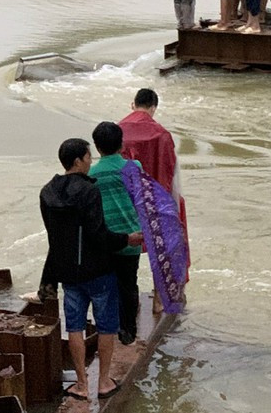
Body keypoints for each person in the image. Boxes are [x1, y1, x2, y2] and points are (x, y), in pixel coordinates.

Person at [40, 138, 143, 401]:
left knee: (74, 327)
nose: (90, 161)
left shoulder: (47, 192)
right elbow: (98, 235)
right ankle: (104, 382)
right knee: (107, 326)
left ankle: (82, 385)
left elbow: (55, 238)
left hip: (68, 273)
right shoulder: (89, 191)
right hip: (97, 270)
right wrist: (126, 239)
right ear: (77, 161)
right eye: (87, 157)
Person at [120, 88, 190, 311]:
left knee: (126, 248)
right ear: (153, 107)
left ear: (133, 104)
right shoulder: (161, 134)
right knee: (161, 246)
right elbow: (171, 171)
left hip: (125, 201)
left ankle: (130, 301)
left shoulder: (117, 130)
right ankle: (159, 299)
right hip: (155, 200)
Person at [89, 122, 143, 347]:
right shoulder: (134, 167)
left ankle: (107, 329)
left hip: (105, 239)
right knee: (129, 284)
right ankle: (128, 331)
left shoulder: (91, 174)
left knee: (106, 286)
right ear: (122, 144)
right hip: (132, 236)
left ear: (97, 148)